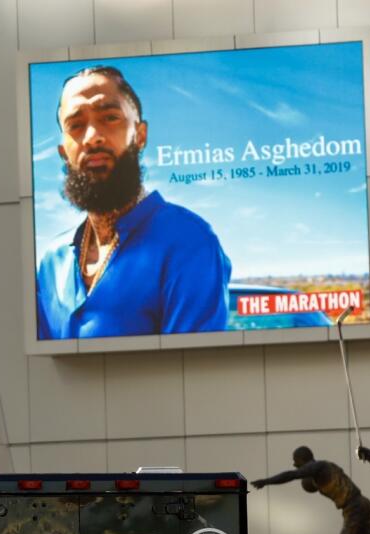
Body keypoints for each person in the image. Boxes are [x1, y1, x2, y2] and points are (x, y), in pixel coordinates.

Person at [36, 64, 231, 340]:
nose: (92, 137)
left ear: (140, 136)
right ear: (63, 152)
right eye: (76, 125)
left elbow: (192, 370)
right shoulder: (51, 261)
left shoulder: (189, 241)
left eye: (110, 117)